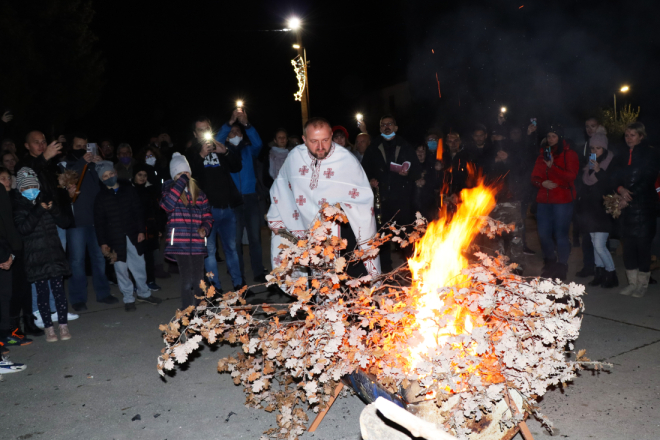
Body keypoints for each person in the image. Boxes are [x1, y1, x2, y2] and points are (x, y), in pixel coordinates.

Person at [268, 117, 380, 278]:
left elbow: (363, 195)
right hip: (307, 230)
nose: (320, 147)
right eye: (314, 141)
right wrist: (276, 218)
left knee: (351, 278)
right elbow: (280, 187)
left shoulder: (346, 159)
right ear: (304, 139)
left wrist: (340, 211)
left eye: (325, 140)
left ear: (331, 136)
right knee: (318, 279)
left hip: (343, 231)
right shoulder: (294, 157)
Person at [13, 168, 73, 342]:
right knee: (42, 294)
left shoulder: (47, 200)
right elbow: (23, 228)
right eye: (26, 187)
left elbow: (65, 221)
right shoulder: (19, 206)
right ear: (21, 189)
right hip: (36, 257)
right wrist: (38, 210)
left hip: (54, 254)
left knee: (59, 292)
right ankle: (48, 328)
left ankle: (63, 325)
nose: (31, 189)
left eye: (33, 185)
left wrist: (54, 210)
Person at [93, 161, 162, 311]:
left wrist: (141, 231)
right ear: (101, 179)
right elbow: (99, 223)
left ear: (116, 173)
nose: (109, 177)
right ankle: (128, 298)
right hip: (114, 240)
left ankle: (144, 293)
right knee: (121, 269)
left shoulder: (129, 191)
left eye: (111, 174)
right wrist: (103, 242)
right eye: (105, 176)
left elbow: (138, 212)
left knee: (139, 265)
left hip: (132, 235)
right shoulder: (100, 198)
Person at [185, 117, 243, 291]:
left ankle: (239, 284)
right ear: (195, 134)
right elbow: (188, 175)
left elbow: (236, 167)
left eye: (207, 129)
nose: (204, 133)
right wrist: (201, 155)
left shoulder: (219, 146)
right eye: (200, 130)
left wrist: (225, 151)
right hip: (206, 211)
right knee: (209, 251)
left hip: (227, 208)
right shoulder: (191, 152)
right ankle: (214, 288)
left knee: (232, 249)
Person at [63, 133, 117, 311]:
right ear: (72, 147)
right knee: (77, 261)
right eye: (78, 147)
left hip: (96, 219)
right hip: (76, 221)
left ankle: (103, 293)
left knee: (99, 257)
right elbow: (67, 180)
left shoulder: (93, 164)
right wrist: (82, 162)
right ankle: (78, 298)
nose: (83, 150)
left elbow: (106, 183)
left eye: (85, 147)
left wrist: (99, 164)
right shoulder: (67, 163)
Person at [361, 115, 421, 272]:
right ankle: (386, 272)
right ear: (380, 128)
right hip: (381, 200)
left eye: (390, 124)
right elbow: (363, 171)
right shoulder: (373, 147)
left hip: (402, 200)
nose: (387, 127)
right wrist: (370, 180)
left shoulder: (405, 146)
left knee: (405, 236)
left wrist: (407, 174)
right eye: (383, 125)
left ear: (396, 127)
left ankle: (412, 270)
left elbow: (416, 171)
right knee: (382, 237)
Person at [216, 110, 267, 284]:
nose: (235, 134)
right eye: (232, 132)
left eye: (238, 131)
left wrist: (247, 125)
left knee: (255, 238)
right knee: (235, 241)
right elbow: (216, 140)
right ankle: (238, 275)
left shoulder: (248, 149)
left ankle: (259, 272)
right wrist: (229, 123)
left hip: (251, 197)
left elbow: (259, 143)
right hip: (233, 200)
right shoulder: (222, 152)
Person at [160, 153, 213, 308]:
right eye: (179, 173)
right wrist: (181, 181)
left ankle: (200, 311)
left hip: (197, 243)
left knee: (198, 280)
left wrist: (205, 227)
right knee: (187, 280)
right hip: (179, 243)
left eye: (186, 172)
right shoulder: (169, 190)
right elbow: (167, 205)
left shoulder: (199, 193)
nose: (184, 176)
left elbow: (208, 215)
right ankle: (186, 311)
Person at [613, 122, 659, 298]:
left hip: (644, 206)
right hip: (625, 207)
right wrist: (620, 190)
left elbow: (648, 178)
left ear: (641, 136)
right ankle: (632, 283)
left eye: (633, 135)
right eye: (626, 135)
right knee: (629, 247)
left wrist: (627, 196)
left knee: (643, 246)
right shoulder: (621, 155)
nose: (628, 138)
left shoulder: (651, 153)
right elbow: (613, 176)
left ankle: (642, 284)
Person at [530, 125, 579, 281]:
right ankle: (550, 262)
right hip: (544, 200)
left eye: (554, 136)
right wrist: (541, 183)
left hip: (562, 200)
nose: (550, 139)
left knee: (560, 234)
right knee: (544, 234)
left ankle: (561, 265)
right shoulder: (542, 155)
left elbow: (571, 176)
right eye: (548, 136)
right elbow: (534, 177)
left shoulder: (569, 154)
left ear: (560, 138)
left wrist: (553, 166)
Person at [576, 133, 618, 288]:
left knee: (600, 245)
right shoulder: (589, 165)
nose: (595, 150)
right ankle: (600, 273)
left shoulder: (611, 162)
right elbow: (585, 185)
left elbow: (610, 184)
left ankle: (612, 274)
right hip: (590, 209)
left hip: (603, 209)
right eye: (593, 147)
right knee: (595, 244)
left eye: (598, 148)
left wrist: (599, 170)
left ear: (605, 148)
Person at [574, 118, 608, 277]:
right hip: (586, 198)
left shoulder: (606, 149)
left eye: (593, 126)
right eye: (587, 126)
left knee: (597, 241)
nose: (589, 129)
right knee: (587, 237)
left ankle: (603, 270)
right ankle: (590, 267)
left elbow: (608, 177)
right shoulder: (586, 147)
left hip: (600, 200)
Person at [132, 164, 165, 290]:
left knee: (149, 256)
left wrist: (159, 228)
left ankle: (150, 280)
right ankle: (137, 283)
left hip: (150, 227)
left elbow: (157, 210)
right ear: (134, 175)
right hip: (134, 228)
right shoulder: (129, 189)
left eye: (145, 175)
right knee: (136, 257)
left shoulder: (151, 190)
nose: (142, 178)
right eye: (139, 175)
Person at [413, 143, 442, 221]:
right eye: (418, 150)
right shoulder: (409, 166)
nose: (420, 153)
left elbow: (437, 184)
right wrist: (414, 182)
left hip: (428, 205)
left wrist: (426, 182)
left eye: (423, 151)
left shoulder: (431, 166)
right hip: (413, 206)